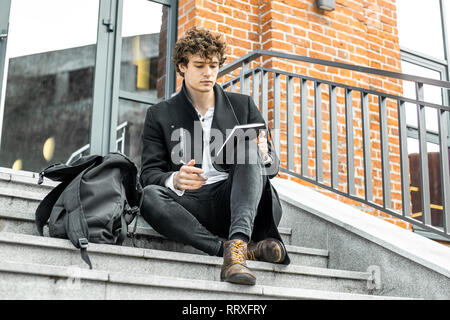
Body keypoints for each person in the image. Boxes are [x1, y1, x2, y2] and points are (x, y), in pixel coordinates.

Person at [140, 26, 290, 286]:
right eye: (199, 65)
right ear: (182, 67)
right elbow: (148, 174)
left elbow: (272, 169)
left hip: (239, 201)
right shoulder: (159, 114)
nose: (208, 73)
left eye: (213, 65)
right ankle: (235, 251)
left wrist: (263, 156)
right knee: (150, 196)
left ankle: (238, 246)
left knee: (248, 147)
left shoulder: (243, 106)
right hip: (192, 205)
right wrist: (174, 179)